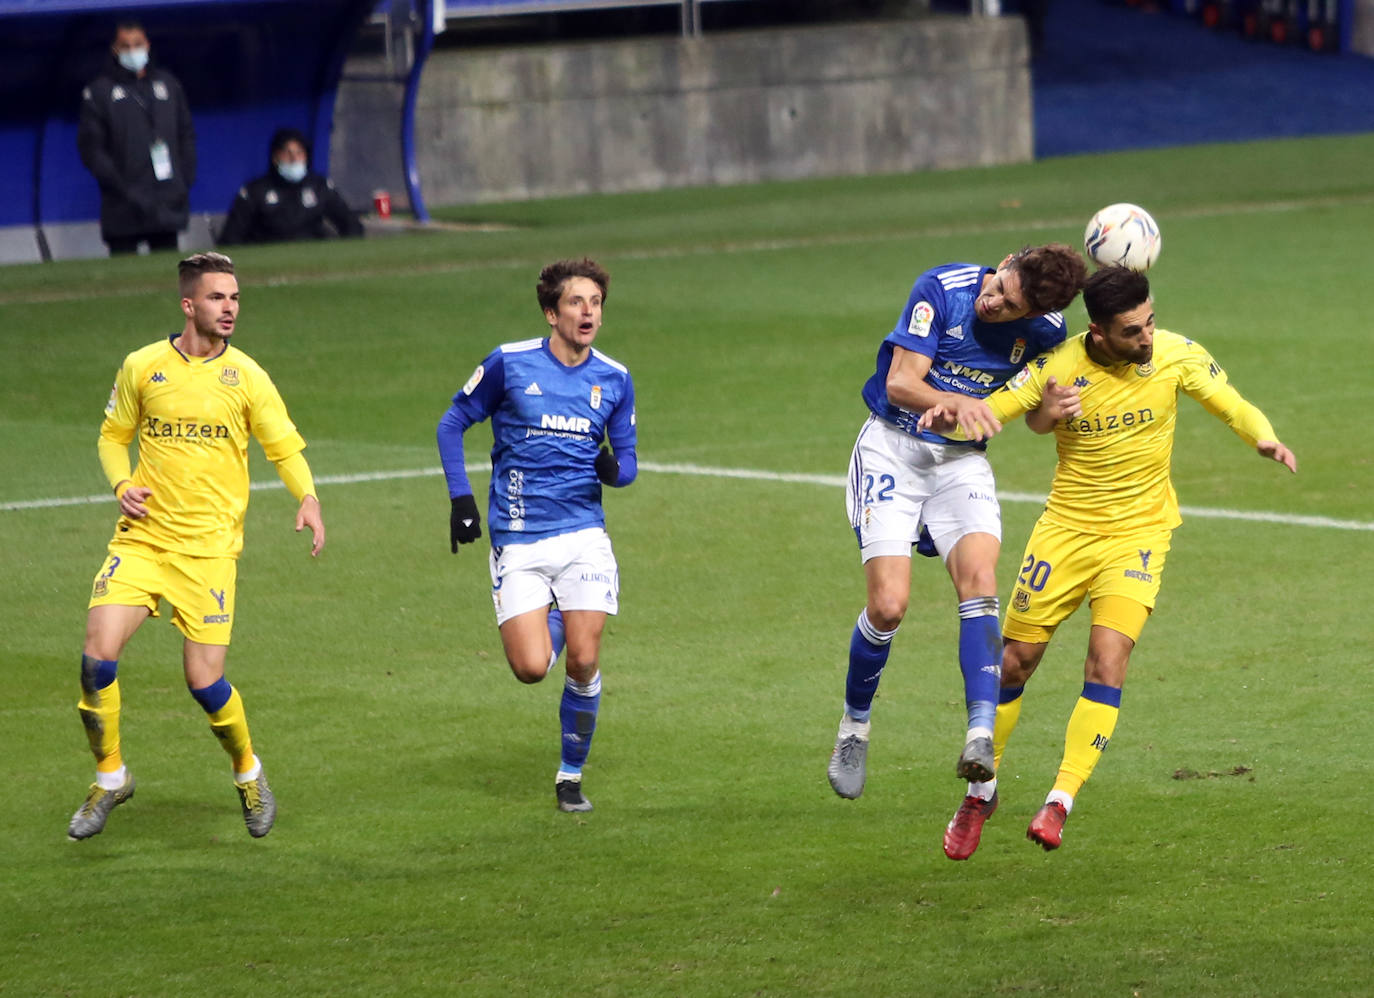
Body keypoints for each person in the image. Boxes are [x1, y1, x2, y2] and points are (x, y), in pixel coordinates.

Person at [932, 265, 1297, 859]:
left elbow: (1230, 403)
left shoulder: (1175, 354)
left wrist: (1262, 435)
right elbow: (994, 409)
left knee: (1108, 662)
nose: (1147, 337)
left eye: (1150, 322)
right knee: (1015, 663)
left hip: (1139, 537)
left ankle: (1060, 800)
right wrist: (945, 413)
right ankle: (981, 794)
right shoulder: (1058, 367)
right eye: (1132, 331)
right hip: (1065, 535)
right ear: (1098, 332)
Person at [67, 252, 325, 842]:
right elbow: (112, 436)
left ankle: (248, 772)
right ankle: (110, 778)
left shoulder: (248, 377)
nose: (229, 308)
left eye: (234, 298)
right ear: (188, 304)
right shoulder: (143, 366)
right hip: (143, 540)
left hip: (209, 551)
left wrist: (308, 497)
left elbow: (283, 447)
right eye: (216, 297)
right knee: (96, 659)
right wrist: (122, 485)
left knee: (204, 682)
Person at [827, 244, 1087, 801]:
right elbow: (901, 383)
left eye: (1011, 306)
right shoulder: (943, 289)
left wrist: (1052, 408)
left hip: (960, 461)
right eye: (999, 289)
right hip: (892, 449)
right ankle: (855, 726)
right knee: (888, 606)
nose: (995, 304)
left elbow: (1035, 420)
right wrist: (958, 401)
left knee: (981, 583)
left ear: (1033, 313)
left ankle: (979, 735)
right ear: (1007, 260)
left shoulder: (1046, 332)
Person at [437, 258, 637, 813]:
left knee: (583, 659)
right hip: (519, 536)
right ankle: (558, 616)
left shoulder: (614, 378)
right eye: (576, 302)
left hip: (583, 536)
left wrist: (610, 469)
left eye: (595, 302)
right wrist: (461, 500)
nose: (588, 312)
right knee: (530, 668)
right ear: (552, 313)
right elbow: (451, 423)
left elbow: (628, 465)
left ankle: (570, 775)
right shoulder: (509, 363)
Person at [78, 20, 196, 256]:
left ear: (148, 45)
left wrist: (183, 181)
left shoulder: (168, 85)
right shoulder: (100, 92)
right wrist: (121, 187)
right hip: (123, 203)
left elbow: (186, 134)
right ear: (115, 50)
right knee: (124, 269)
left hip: (167, 199)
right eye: (126, 46)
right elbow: (91, 149)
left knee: (168, 269)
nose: (133, 51)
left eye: (138, 44)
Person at [217, 128, 364, 246]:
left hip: (312, 255)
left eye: (299, 153)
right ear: (275, 158)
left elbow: (351, 224)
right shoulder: (255, 191)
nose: (294, 159)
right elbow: (230, 238)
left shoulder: (319, 186)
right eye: (287, 153)